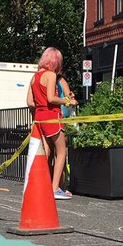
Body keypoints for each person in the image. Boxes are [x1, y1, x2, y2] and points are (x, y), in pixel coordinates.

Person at [27, 47, 77, 199]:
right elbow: (51, 98)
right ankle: (55, 188)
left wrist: (40, 107)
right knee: (61, 152)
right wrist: (67, 101)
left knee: (45, 153)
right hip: (52, 116)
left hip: (39, 117)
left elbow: (29, 101)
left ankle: (40, 185)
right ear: (56, 61)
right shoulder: (51, 75)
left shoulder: (35, 77)